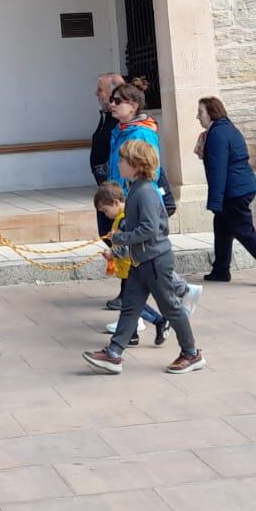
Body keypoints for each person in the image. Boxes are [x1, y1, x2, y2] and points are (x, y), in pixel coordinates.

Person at [82, 138, 204, 376]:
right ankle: (113, 354)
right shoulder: (136, 189)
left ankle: (191, 354)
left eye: (123, 160)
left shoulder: (145, 192)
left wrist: (121, 238)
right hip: (142, 260)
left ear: (136, 165)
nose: (119, 164)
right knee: (130, 307)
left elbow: (150, 229)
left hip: (155, 260)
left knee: (171, 308)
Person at [103, 80, 199, 315]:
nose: (111, 105)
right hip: (123, 199)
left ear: (133, 106)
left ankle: (162, 308)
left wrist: (129, 201)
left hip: (132, 202)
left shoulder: (141, 133)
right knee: (137, 262)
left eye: (118, 102)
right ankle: (149, 311)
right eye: (111, 101)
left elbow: (148, 171)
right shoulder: (122, 131)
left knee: (140, 261)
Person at [197, 97, 256, 287]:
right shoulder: (224, 129)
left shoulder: (218, 133)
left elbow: (218, 169)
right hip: (239, 186)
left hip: (234, 190)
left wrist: (215, 200)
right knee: (221, 227)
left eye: (201, 113)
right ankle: (220, 269)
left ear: (211, 113)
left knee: (243, 230)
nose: (198, 117)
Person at [93, 182, 168, 347]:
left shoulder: (125, 220)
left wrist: (112, 253)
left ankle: (159, 321)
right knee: (130, 303)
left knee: (131, 303)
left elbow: (127, 245)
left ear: (115, 203)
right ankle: (132, 334)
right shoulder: (122, 218)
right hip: (127, 267)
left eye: (105, 211)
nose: (106, 215)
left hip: (131, 267)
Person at [89, 72, 125, 239]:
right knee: (106, 234)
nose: (97, 93)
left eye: (100, 89)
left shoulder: (120, 123)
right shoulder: (106, 117)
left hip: (114, 187)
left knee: (114, 234)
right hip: (105, 184)